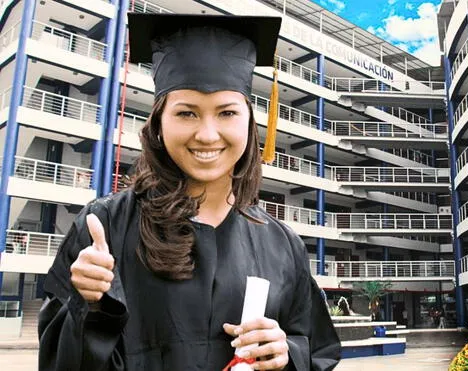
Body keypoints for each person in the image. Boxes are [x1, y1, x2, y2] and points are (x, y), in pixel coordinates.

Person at [38, 13, 341, 371]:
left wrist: (286, 353)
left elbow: (316, 349)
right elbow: (61, 361)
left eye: (227, 112)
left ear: (249, 122)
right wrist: (86, 303)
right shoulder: (104, 228)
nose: (208, 134)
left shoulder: (282, 244)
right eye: (187, 113)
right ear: (159, 122)